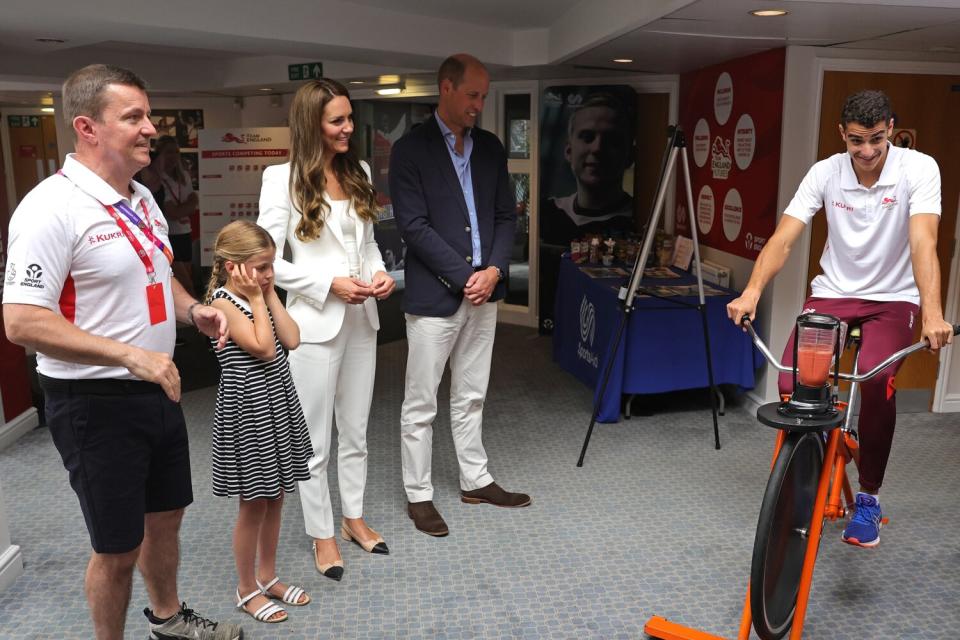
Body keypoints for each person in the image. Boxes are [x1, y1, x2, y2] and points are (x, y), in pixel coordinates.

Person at [2, 64, 241, 640]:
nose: (150, 128)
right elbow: (21, 321)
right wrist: (130, 356)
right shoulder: (48, 208)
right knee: (117, 545)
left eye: (148, 114)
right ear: (87, 127)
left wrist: (193, 311)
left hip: (157, 388)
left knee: (166, 520)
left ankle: (168, 618)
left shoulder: (141, 198)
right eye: (133, 117)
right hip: (93, 402)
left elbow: (158, 273)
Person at [726, 89, 952, 548]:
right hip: (832, 293)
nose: (866, 152)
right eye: (855, 141)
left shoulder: (919, 168)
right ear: (841, 135)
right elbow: (785, 238)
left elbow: (923, 242)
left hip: (893, 298)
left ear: (890, 128)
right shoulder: (824, 173)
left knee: (875, 382)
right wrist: (752, 291)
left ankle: (868, 496)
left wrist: (933, 313)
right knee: (792, 382)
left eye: (874, 139)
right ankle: (816, 464)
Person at [258, 78, 395, 580]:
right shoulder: (282, 178)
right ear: (312, 123)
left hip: (363, 318)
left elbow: (369, 244)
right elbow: (266, 260)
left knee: (356, 430)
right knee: (315, 440)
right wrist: (326, 284)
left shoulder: (357, 170)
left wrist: (378, 272)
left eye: (349, 118)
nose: (348, 128)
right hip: (314, 323)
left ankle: (354, 517)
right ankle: (322, 534)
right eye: (337, 120)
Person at [389, 53, 531, 538]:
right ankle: (419, 494)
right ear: (445, 88)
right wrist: (465, 275)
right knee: (420, 402)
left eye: (484, 96)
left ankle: (475, 479)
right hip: (436, 297)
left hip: (483, 294)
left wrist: (491, 271)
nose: (479, 105)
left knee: (472, 394)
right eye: (472, 95)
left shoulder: (490, 147)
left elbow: (506, 216)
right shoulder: (410, 150)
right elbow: (414, 227)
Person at [203, 220, 313, 624]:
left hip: (276, 405)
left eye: (271, 267)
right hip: (248, 412)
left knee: (278, 494)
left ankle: (268, 576)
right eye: (261, 266)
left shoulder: (261, 294)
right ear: (232, 267)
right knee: (253, 505)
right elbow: (266, 349)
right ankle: (246, 587)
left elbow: (293, 338)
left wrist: (268, 295)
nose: (269, 274)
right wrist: (257, 297)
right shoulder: (221, 304)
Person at [539, 93, 636, 332]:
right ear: (569, 151)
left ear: (629, 156)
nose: (597, 148)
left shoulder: (634, 222)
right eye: (587, 137)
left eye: (611, 140)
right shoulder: (549, 211)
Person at [154, 135, 198, 296]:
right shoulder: (158, 180)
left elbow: (194, 202)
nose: (173, 157)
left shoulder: (183, 176)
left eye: (176, 152)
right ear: (159, 155)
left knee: (188, 276)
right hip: (169, 234)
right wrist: (186, 206)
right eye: (168, 152)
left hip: (185, 232)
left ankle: (187, 317)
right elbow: (173, 213)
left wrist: (184, 207)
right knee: (183, 282)